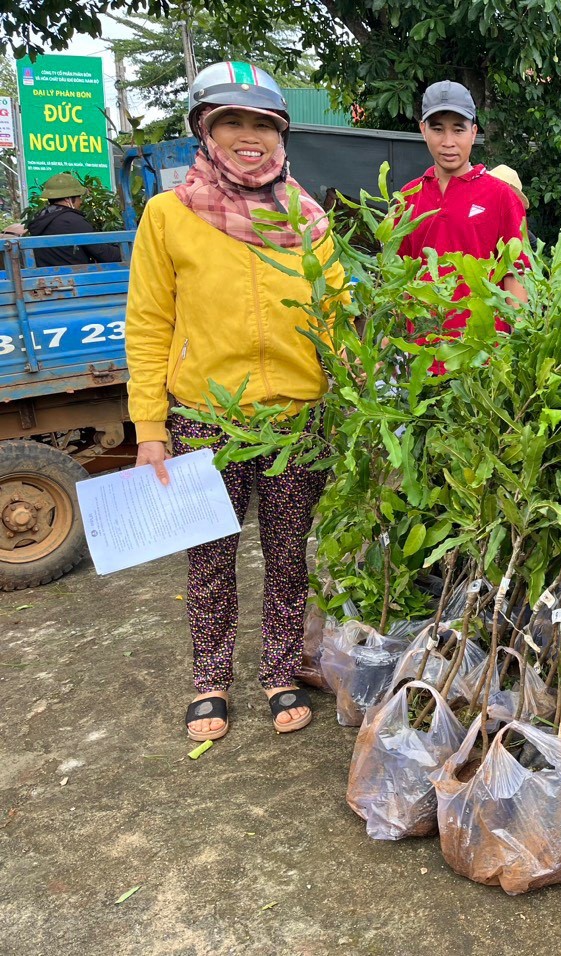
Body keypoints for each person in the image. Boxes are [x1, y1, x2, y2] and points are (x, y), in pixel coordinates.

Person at [125, 61, 345, 742]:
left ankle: (279, 670)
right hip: (205, 418)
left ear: (279, 136)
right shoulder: (168, 216)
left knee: (288, 556)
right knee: (211, 558)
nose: (249, 137)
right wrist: (150, 427)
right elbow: (148, 323)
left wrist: (346, 401)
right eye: (233, 123)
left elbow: (332, 314)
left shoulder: (307, 219)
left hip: (294, 420)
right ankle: (210, 680)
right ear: (206, 131)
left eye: (262, 125)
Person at [400, 81, 528, 362]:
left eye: (458, 129)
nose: (448, 142)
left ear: (473, 132)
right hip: (421, 357)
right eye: (437, 129)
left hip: (482, 359)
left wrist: (516, 349)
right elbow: (398, 278)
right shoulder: (407, 199)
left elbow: (515, 274)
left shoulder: (501, 196)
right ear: (423, 130)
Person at [26, 173, 123, 268]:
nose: (81, 202)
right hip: (78, 278)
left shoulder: (40, 218)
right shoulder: (73, 221)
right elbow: (104, 254)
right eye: (79, 197)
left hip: (47, 277)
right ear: (68, 199)